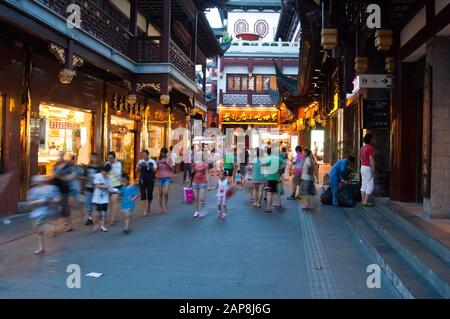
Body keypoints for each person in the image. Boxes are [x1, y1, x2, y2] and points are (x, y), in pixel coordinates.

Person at [27, 175, 61, 255]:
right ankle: (42, 247)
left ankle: (51, 229)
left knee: (40, 227)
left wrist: (49, 201)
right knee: (38, 230)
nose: (37, 181)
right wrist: (39, 201)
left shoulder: (52, 188)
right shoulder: (32, 190)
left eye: (39, 180)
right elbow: (30, 203)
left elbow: (58, 199)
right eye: (35, 180)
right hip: (36, 212)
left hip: (48, 211)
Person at [53, 152, 77, 232]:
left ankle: (69, 225)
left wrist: (60, 177)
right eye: (60, 155)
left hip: (65, 189)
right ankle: (59, 226)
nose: (60, 157)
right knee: (56, 209)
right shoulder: (56, 166)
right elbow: (53, 176)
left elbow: (70, 178)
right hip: (56, 190)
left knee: (65, 208)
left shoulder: (68, 167)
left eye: (62, 155)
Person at [92, 163, 119, 232]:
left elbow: (110, 188)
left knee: (104, 211)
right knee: (98, 212)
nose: (104, 173)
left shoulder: (109, 178)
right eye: (104, 171)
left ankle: (103, 225)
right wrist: (106, 187)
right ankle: (98, 222)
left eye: (106, 172)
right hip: (97, 196)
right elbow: (97, 185)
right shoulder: (97, 176)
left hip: (105, 197)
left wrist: (116, 191)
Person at [261, 147, 285, 213]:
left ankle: (269, 208)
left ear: (267, 152)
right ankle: (278, 204)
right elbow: (285, 162)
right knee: (277, 192)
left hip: (270, 178)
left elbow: (261, 164)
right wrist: (280, 168)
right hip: (277, 177)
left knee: (269, 193)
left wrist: (266, 167)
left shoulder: (267, 159)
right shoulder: (277, 158)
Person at [136, 150, 157, 216]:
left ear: (148, 155)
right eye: (143, 155)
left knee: (149, 194)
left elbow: (155, 172)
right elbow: (136, 171)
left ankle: (148, 207)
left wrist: (151, 167)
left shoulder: (152, 161)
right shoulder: (140, 161)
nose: (144, 156)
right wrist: (139, 167)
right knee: (143, 195)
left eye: (145, 155)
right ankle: (145, 210)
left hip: (150, 179)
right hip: (142, 179)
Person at [106, 151, 122, 225]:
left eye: (111, 158)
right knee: (110, 203)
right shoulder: (106, 164)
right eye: (109, 158)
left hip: (116, 185)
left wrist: (112, 167)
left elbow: (118, 174)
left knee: (114, 201)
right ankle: (112, 216)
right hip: (109, 185)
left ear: (114, 158)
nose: (110, 159)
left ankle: (113, 219)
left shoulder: (118, 164)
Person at [84, 152, 100, 225]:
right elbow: (86, 177)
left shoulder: (99, 168)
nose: (93, 159)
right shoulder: (88, 167)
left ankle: (99, 219)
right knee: (89, 203)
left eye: (94, 157)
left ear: (97, 158)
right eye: (91, 157)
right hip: (89, 188)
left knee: (97, 203)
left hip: (97, 189)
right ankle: (89, 218)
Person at [156, 147, 173, 213]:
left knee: (165, 192)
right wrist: (157, 164)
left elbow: (171, 168)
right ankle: (160, 207)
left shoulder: (169, 158)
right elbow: (156, 168)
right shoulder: (158, 159)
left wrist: (167, 163)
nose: (162, 154)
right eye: (162, 153)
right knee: (160, 193)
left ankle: (165, 205)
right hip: (160, 177)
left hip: (167, 177)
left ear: (166, 153)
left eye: (164, 153)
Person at [360, 133, 376, 206]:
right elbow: (371, 159)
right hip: (368, 168)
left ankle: (363, 200)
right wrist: (373, 169)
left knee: (364, 183)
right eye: (372, 139)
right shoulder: (370, 148)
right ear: (370, 139)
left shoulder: (362, 148)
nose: (373, 140)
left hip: (362, 167)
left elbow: (361, 159)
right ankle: (366, 201)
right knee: (370, 184)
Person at [191, 154, 208, 218]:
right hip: (195, 182)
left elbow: (206, 173)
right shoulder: (195, 164)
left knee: (201, 198)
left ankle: (201, 210)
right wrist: (192, 166)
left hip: (202, 182)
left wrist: (208, 184)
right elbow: (192, 173)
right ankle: (196, 211)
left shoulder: (205, 164)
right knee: (195, 198)